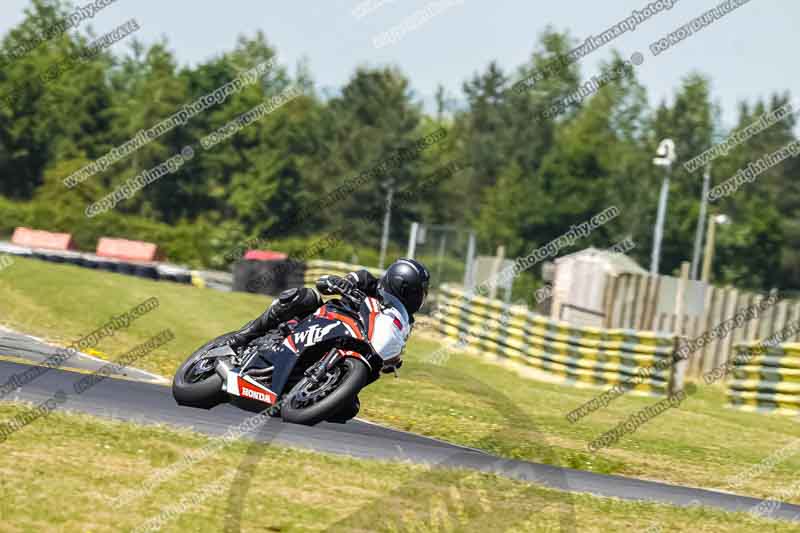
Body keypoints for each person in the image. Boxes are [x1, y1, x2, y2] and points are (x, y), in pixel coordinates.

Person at [223, 258, 431, 421]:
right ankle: (245, 336)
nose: (421, 299)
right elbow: (335, 282)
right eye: (420, 292)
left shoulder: (404, 322)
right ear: (402, 285)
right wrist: (340, 283)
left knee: (349, 409)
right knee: (304, 297)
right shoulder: (368, 281)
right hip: (329, 319)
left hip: (356, 347)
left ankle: (302, 392)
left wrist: (392, 360)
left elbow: (392, 346)